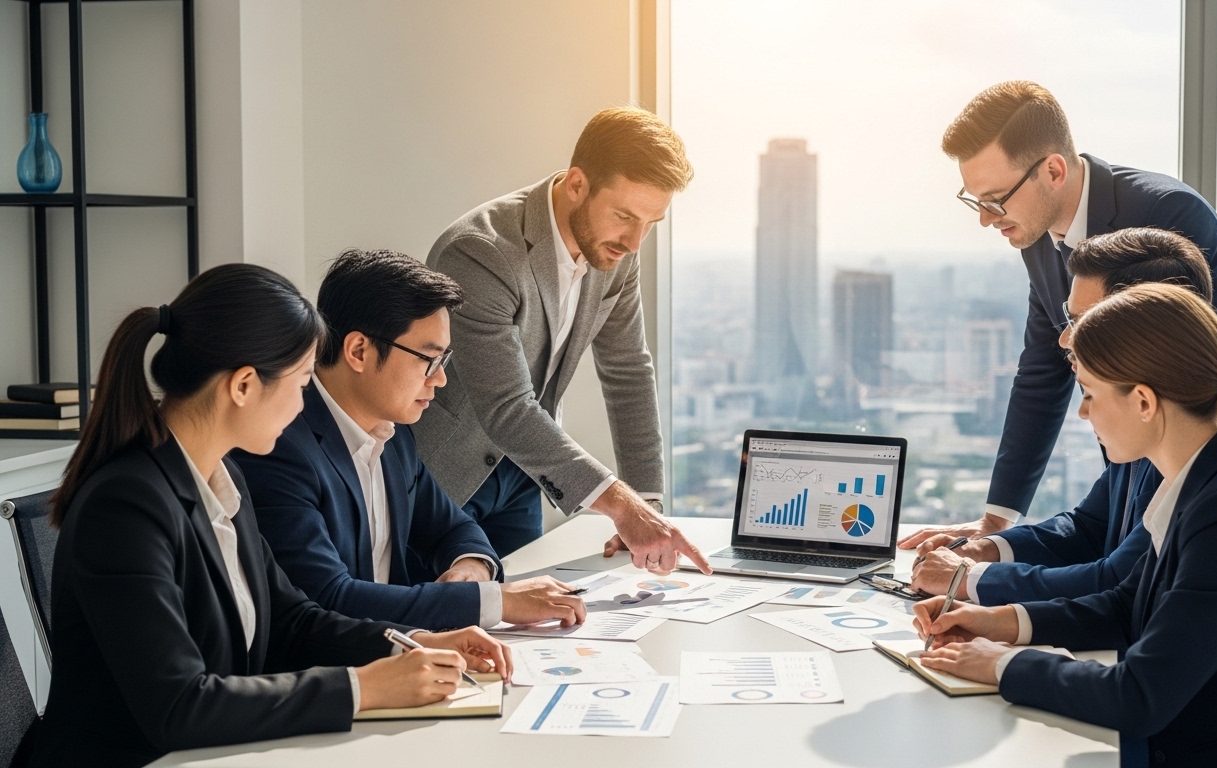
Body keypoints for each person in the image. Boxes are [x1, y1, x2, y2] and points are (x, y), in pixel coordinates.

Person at [31, 265, 513, 768]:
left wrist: (408, 645)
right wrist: (362, 687)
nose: (305, 402)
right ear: (243, 385)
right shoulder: (126, 506)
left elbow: (290, 619)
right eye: (302, 380)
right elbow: (178, 705)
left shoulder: (222, 478)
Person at [913, 283, 1217, 767]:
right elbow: (1129, 604)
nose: (1083, 412)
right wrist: (999, 623)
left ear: (1144, 402)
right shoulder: (1208, 477)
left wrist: (1000, 664)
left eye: (1088, 394)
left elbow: (1140, 697)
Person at [927, 80, 1217, 543]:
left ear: (1052, 171)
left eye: (995, 199)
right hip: (1157, 465)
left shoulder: (1170, 214)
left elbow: (1208, 380)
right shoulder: (1035, 230)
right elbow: (1042, 370)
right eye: (975, 200)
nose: (986, 218)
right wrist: (996, 519)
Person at [413, 106, 710, 573]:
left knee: (527, 622)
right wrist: (621, 506)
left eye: (652, 224)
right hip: (448, 478)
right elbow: (505, 406)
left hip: (525, 471)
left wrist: (645, 502)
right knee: (452, 625)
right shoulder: (481, 251)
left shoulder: (616, 251)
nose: (635, 242)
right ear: (576, 184)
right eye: (625, 216)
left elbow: (628, 371)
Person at [236, 249, 587, 631]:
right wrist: (491, 602)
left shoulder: (393, 434)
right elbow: (327, 598)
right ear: (358, 351)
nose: (440, 379)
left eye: (444, 361)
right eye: (428, 359)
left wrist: (471, 567)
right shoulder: (279, 447)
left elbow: (451, 528)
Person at [904, 228, 1212, 603]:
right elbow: (1088, 529)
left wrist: (968, 580)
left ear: (1144, 325)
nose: (1065, 339)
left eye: (1083, 321)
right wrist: (985, 549)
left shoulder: (1185, 453)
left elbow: (1120, 581)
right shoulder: (1141, 427)